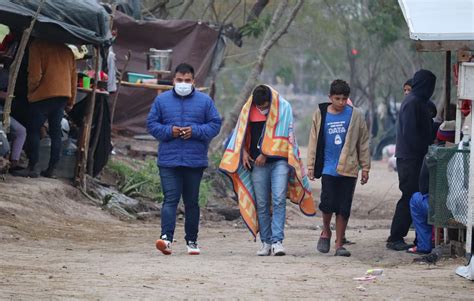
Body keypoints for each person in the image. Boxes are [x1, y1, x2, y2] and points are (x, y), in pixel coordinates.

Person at [219, 84, 315, 256]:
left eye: (264, 106)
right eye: (259, 107)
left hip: (280, 161)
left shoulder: (284, 107)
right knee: (261, 203)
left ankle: (278, 241)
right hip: (257, 164)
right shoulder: (247, 110)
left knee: (278, 199)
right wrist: (244, 152)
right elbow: (240, 135)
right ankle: (266, 242)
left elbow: (287, 136)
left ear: (270, 101)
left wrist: (265, 153)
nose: (261, 109)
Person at [147, 63, 221, 255]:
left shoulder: (205, 101)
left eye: (187, 80)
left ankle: (192, 241)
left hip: (194, 160)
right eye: (180, 80)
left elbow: (215, 125)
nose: (183, 83)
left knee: (192, 202)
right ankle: (166, 239)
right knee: (170, 199)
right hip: (168, 160)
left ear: (194, 81)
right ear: (173, 80)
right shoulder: (161, 101)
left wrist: (195, 131)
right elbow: (152, 125)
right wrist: (169, 131)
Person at [307, 79, 370, 257]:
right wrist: (310, 166)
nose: (341, 102)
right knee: (327, 204)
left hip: (349, 168)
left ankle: (339, 243)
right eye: (337, 98)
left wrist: (365, 167)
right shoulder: (320, 114)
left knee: (344, 207)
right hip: (328, 167)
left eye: (344, 98)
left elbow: (363, 142)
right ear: (330, 97)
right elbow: (313, 141)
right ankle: (326, 231)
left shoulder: (355, 115)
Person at [387, 69, 436, 251]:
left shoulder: (417, 101)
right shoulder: (413, 102)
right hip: (410, 158)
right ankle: (395, 237)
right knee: (409, 196)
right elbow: (411, 132)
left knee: (412, 195)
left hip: (412, 156)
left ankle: (405, 236)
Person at [14, 38, 77, 178]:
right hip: (62, 96)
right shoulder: (67, 51)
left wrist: (31, 93)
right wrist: (71, 101)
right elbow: (73, 79)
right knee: (56, 134)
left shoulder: (37, 45)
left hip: (43, 95)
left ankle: (33, 166)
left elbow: (34, 75)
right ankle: (52, 169)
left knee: (33, 130)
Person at [409, 121, 455, 255]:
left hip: (438, 207)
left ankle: (424, 245)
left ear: (439, 136)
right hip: (460, 207)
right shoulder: (463, 151)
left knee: (415, 198)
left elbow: (423, 188)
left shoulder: (431, 154)